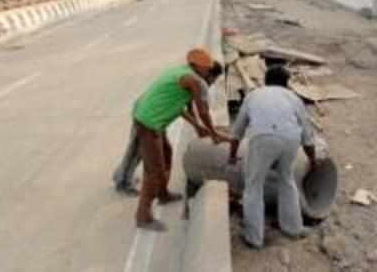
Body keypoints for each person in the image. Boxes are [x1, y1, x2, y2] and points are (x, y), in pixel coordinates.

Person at [229, 66, 317, 248]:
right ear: (286, 83)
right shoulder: (294, 98)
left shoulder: (253, 95)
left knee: (253, 186)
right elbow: (307, 136)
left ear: (266, 80)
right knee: (287, 180)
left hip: (262, 138)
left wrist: (232, 155)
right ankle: (293, 229)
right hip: (290, 139)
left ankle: (254, 238)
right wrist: (312, 160)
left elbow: (237, 130)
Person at [112, 60, 224, 196]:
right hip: (149, 116)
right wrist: (212, 132)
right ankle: (123, 183)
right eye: (214, 79)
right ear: (208, 73)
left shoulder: (188, 73)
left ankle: (123, 175)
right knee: (139, 151)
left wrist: (197, 127)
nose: (212, 83)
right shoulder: (193, 81)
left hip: (154, 114)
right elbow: (202, 112)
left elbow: (185, 108)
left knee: (162, 150)